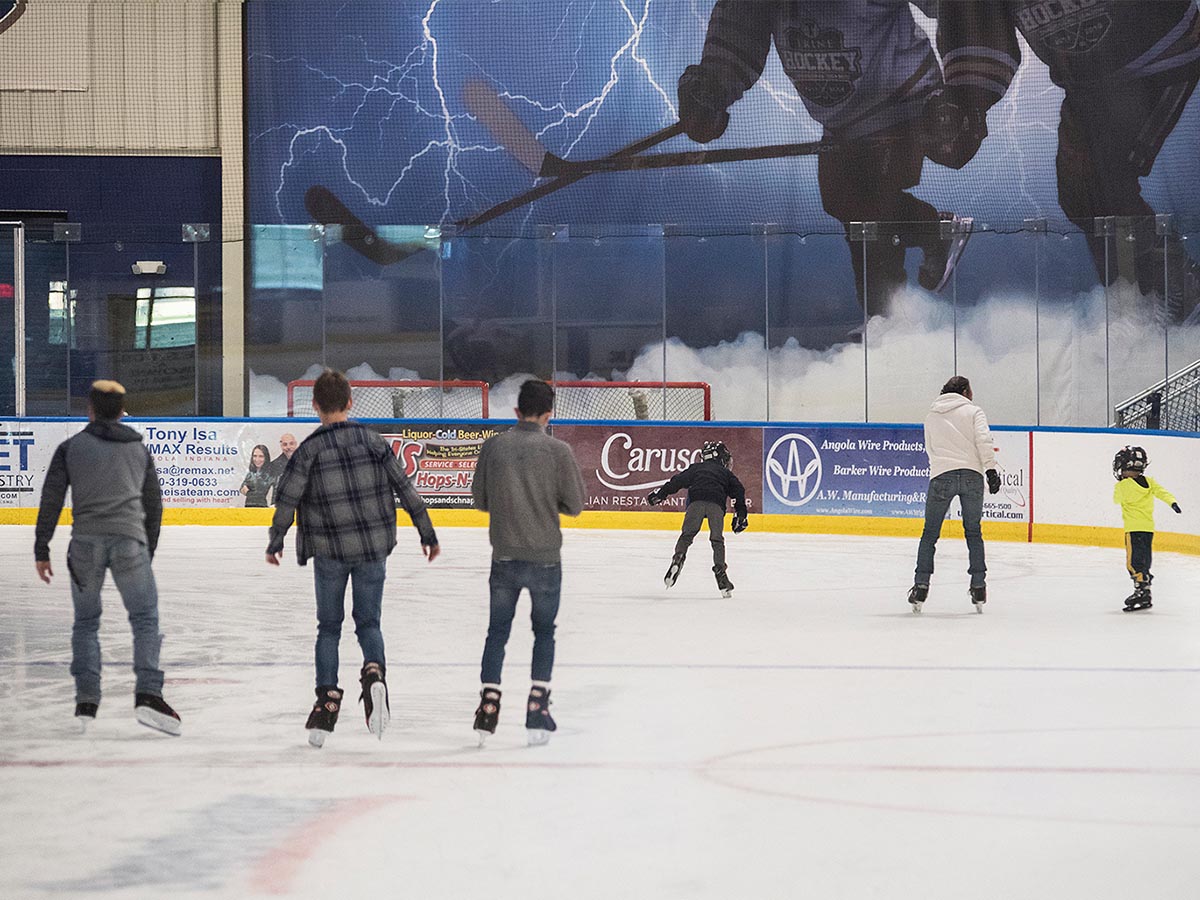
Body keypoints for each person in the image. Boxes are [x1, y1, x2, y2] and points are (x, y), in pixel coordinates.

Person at [678, 0, 971, 320]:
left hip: (903, 100)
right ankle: (906, 282)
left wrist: (964, 92)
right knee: (844, 204)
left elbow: (960, 9)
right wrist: (711, 90)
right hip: (842, 122)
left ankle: (886, 316)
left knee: (866, 209)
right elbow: (739, 32)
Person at [937, 0, 1200, 322]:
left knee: (1105, 180)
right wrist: (968, 103)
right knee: (1078, 194)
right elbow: (981, 29)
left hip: (1157, 60)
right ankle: (1138, 299)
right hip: (1088, 86)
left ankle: (1169, 286)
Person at [266, 369, 439, 747]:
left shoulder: (309, 449)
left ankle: (327, 700)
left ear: (315, 406)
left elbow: (288, 498)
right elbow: (405, 487)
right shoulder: (373, 440)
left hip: (329, 551)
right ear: (349, 403)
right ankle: (374, 674)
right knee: (368, 623)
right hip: (372, 547)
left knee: (329, 628)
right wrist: (427, 532)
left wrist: (276, 539)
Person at [33, 379, 181, 735]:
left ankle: (87, 700)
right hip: (131, 543)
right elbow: (154, 506)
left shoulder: (71, 448)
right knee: (145, 619)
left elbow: (51, 498)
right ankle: (147, 693)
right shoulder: (139, 450)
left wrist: (42, 547)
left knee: (86, 623)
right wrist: (148, 550)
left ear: (91, 409)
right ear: (121, 410)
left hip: (85, 545)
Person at [470, 379, 585, 747]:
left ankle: (488, 704)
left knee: (497, 632)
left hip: (503, 555)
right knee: (544, 632)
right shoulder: (559, 451)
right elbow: (576, 505)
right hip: (546, 559)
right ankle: (537, 707)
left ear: (517, 411)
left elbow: (480, 500)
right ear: (548, 415)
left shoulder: (493, 448)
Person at [908, 375, 1000, 614]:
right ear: (964, 392)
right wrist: (990, 470)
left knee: (930, 534)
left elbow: (930, 446)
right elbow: (984, 440)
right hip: (971, 475)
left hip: (941, 475)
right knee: (973, 532)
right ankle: (978, 586)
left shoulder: (932, 415)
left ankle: (921, 586)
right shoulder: (974, 412)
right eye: (971, 390)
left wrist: (940, 466)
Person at [647, 440, 748, 598]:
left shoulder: (696, 468)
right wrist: (740, 513)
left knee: (687, 535)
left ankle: (678, 558)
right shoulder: (725, 473)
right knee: (717, 540)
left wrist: (660, 494)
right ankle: (721, 574)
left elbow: (676, 482)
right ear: (721, 458)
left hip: (696, 503)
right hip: (716, 505)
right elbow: (738, 491)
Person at [1112, 445, 1181, 612]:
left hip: (1133, 529)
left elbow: (1116, 500)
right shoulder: (1150, 482)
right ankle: (1145, 589)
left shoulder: (1122, 486)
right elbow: (1162, 493)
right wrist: (1173, 502)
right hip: (1148, 529)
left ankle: (1141, 589)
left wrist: (1123, 484)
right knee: (1144, 559)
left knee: (1133, 562)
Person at [268, 432, 298, 504]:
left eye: (291, 444)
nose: (288, 447)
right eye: (285, 444)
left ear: (296, 444)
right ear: (281, 446)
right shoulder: (273, 465)